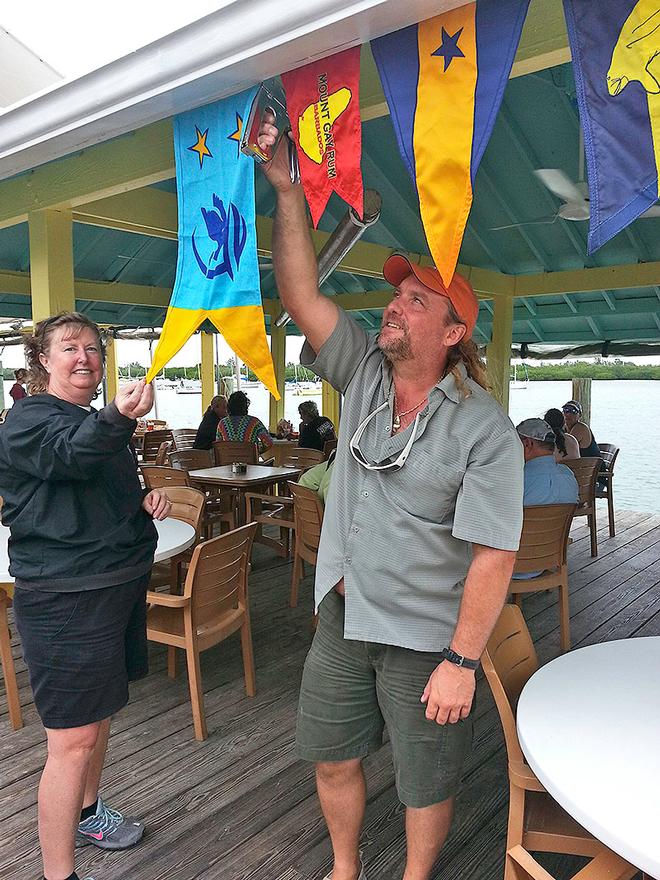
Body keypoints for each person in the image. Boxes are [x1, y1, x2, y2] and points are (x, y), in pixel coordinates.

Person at [258, 120, 523, 880]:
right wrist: (287, 190)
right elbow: (300, 292)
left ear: (454, 328)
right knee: (331, 753)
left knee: (423, 783)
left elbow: (494, 555)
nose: (394, 308)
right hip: (344, 613)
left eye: (415, 299)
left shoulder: (486, 433)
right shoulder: (366, 378)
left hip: (425, 639)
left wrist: (462, 662)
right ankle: (345, 869)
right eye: (397, 295)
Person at [0, 312, 171, 880]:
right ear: (43, 360)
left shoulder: (91, 423)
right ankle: (58, 874)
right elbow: (70, 454)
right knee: (71, 740)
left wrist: (141, 505)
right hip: (65, 599)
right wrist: (119, 414)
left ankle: (90, 811)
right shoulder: (27, 420)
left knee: (98, 719)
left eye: (94, 349)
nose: (84, 358)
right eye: (69, 347)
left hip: (113, 585)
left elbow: (96, 476)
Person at [516, 418, 579, 505]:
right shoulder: (568, 475)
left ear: (528, 444)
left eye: (516, 442)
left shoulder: (518, 478)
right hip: (561, 518)